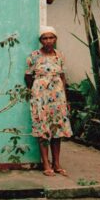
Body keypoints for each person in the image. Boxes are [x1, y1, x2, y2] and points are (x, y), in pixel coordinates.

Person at [24, 26, 73, 177]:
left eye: (51, 37)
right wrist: (37, 92)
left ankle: (56, 163)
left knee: (57, 130)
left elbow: (63, 77)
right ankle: (46, 163)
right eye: (45, 38)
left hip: (58, 98)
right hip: (41, 99)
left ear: (55, 39)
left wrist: (65, 98)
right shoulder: (34, 56)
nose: (48, 41)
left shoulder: (60, 56)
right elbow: (28, 77)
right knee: (43, 130)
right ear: (40, 41)